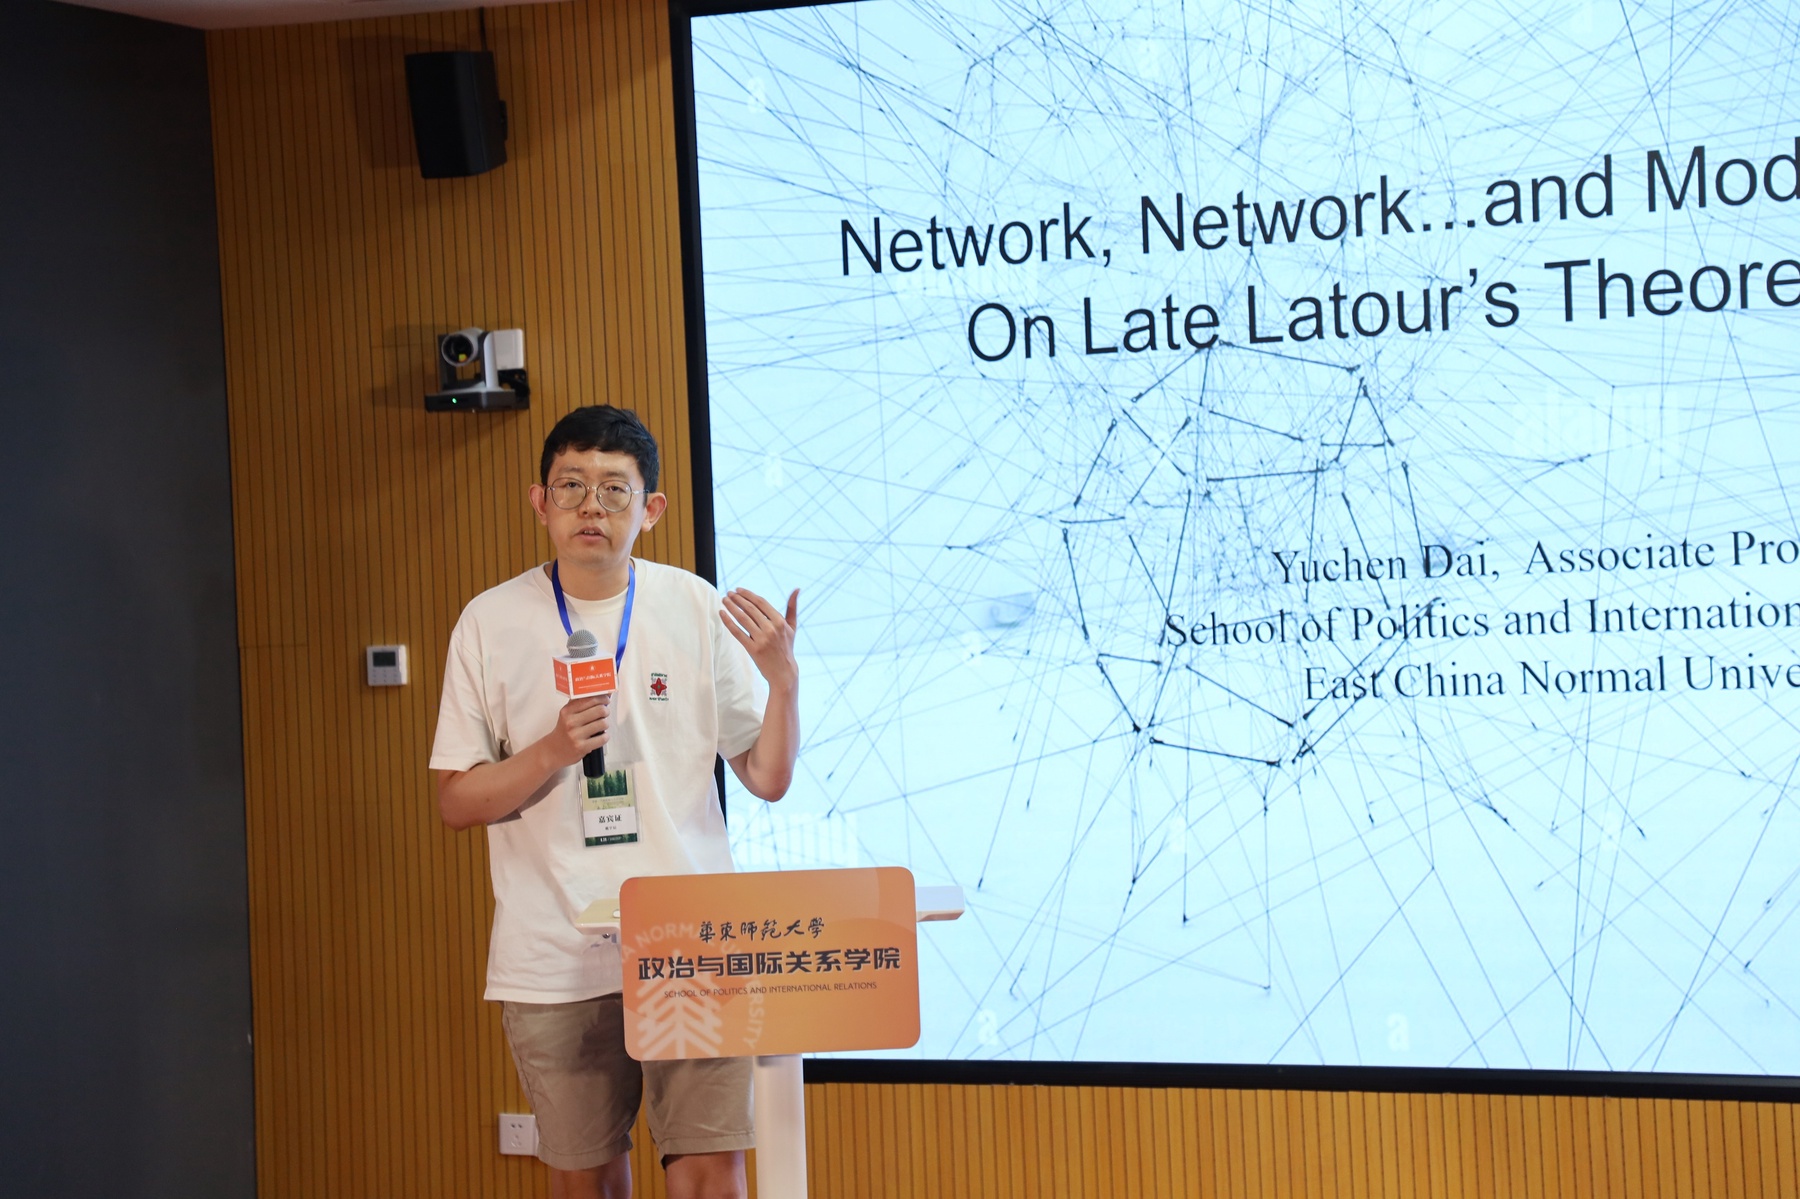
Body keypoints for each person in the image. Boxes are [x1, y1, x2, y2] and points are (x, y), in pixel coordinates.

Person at [430, 405, 799, 1199]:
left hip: (691, 944)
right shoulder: (489, 621)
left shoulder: (693, 606)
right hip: (553, 952)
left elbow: (766, 776)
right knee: (588, 1180)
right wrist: (550, 750)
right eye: (571, 486)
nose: (590, 507)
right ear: (540, 501)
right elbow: (456, 800)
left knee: (711, 1177)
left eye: (613, 489)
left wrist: (783, 684)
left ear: (651, 508)